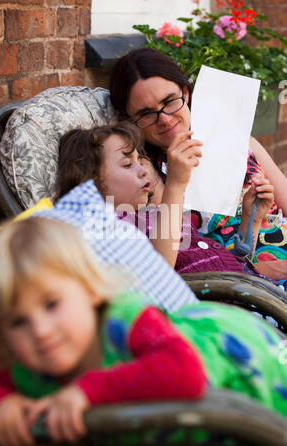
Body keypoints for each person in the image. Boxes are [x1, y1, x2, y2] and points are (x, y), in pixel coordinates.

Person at [0, 217, 287, 446]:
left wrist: (87, 391)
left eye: (51, 304)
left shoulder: (124, 317)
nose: (39, 331)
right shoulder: (29, 364)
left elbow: (184, 371)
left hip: (250, 376)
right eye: (17, 322)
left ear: (91, 289)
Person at [109, 48, 287, 280]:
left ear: (185, 92)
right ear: (130, 120)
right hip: (246, 279)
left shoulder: (232, 136)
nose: (164, 119)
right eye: (146, 114)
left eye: (169, 101)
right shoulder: (144, 172)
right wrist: (265, 270)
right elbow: (182, 260)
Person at [55, 122, 287, 291]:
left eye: (139, 160)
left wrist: (252, 218)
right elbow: (160, 273)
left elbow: (224, 263)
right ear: (90, 180)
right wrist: (175, 186)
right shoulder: (107, 226)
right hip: (239, 311)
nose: (143, 169)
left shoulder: (153, 216)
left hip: (255, 293)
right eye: (127, 164)